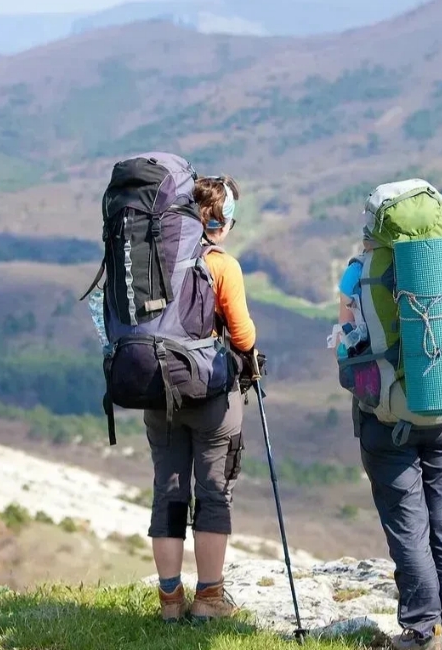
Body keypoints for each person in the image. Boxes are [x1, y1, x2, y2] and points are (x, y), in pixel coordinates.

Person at [334, 181, 442, 650]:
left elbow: (347, 346)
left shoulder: (357, 275)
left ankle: (421, 630)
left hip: (388, 421)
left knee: (409, 528)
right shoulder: (441, 272)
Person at [149, 174, 257, 623]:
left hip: (158, 391)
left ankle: (170, 602)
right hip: (210, 396)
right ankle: (209, 598)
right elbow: (243, 335)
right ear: (224, 221)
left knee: (169, 491)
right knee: (213, 493)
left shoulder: (156, 258)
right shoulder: (222, 265)